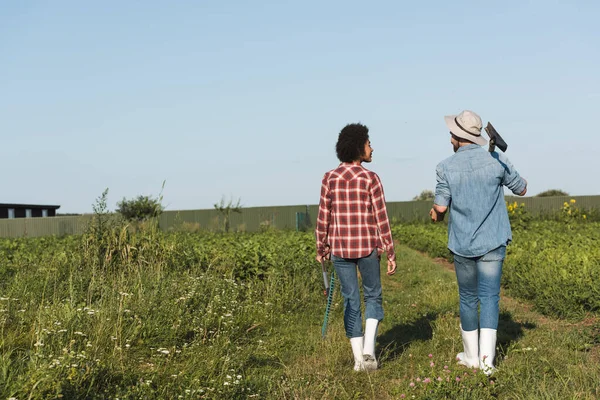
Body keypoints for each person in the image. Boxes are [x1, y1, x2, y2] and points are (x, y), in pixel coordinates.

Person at [429, 110, 527, 375]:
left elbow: (440, 206)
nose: (450, 136)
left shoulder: (445, 167)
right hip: (493, 241)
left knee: (468, 298)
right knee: (490, 297)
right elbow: (522, 188)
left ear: (459, 136)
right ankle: (487, 363)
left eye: (452, 133)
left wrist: (435, 214)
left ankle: (471, 356)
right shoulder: (496, 159)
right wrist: (503, 166)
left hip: (462, 243)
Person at [315, 122, 397, 372]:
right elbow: (381, 217)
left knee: (350, 300)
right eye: (369, 144)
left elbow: (323, 216)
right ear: (358, 148)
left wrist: (321, 248)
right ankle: (370, 350)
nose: (372, 148)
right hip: (367, 249)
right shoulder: (370, 178)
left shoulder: (329, 178)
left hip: (340, 250)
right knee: (373, 295)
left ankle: (358, 361)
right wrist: (390, 250)